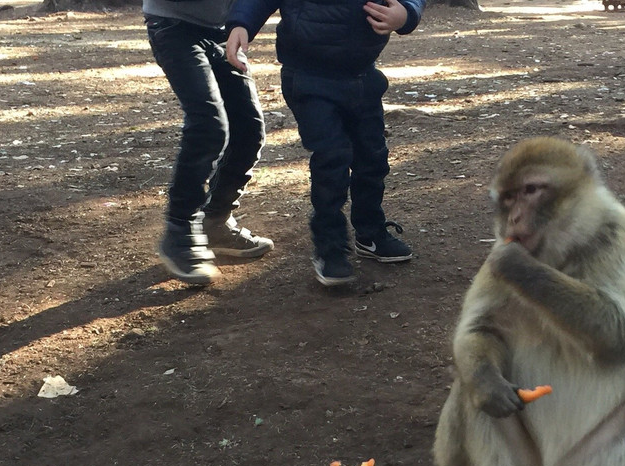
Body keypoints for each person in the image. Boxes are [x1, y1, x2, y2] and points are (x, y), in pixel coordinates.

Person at [224, 0, 425, 288]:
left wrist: (406, 13)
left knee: (372, 157)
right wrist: (241, 23)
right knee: (332, 156)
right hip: (309, 76)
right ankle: (330, 247)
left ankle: (370, 232)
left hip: (363, 75)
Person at [144, 0, 275, 286]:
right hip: (173, 24)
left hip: (224, 29)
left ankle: (215, 220)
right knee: (209, 125)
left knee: (249, 131)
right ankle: (180, 229)